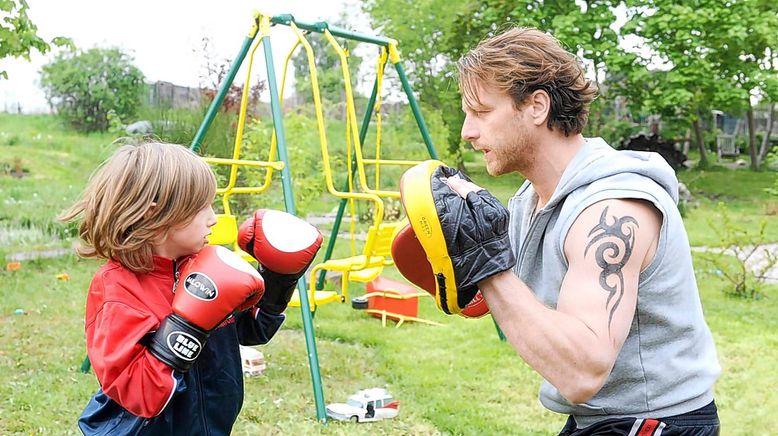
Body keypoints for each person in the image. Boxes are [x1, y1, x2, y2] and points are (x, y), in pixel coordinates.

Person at [398, 27, 721, 434]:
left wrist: (487, 260)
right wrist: (464, 261)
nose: (467, 131)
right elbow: (491, 301)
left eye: (481, 112)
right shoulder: (530, 201)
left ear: (536, 106)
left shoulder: (612, 211)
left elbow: (581, 372)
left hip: (656, 421)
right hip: (600, 418)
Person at [60, 141, 322, 435]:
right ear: (154, 214)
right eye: (202, 207)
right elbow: (139, 394)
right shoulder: (118, 290)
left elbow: (252, 331)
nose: (213, 218)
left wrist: (279, 278)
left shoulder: (206, 265)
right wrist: (187, 325)